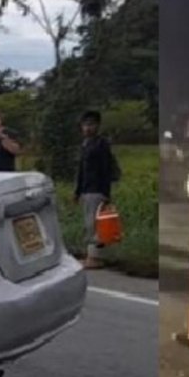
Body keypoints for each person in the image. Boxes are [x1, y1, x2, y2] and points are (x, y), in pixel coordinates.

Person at [74, 110, 117, 270]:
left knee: (93, 224)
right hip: (86, 189)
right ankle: (91, 255)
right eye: (85, 125)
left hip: (97, 189)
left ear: (97, 126)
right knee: (89, 223)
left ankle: (94, 257)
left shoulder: (101, 144)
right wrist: (77, 191)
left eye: (91, 125)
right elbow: (81, 170)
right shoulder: (85, 144)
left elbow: (106, 170)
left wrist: (106, 193)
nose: (87, 128)